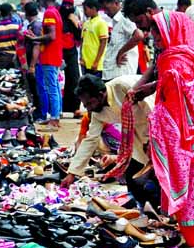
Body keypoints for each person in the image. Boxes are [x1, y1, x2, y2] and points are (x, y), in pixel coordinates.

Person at [120, 0, 194, 248]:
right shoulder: (189, 51)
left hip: (187, 136)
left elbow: (173, 99)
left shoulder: (175, 61)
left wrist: (162, 133)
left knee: (187, 190)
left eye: (156, 35)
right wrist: (147, 88)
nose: (152, 38)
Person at [62, 75, 158, 208]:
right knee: (133, 180)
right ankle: (144, 212)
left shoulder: (123, 86)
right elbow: (90, 140)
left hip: (157, 132)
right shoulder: (97, 112)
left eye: (89, 103)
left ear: (101, 95)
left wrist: (154, 140)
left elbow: (154, 112)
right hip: (135, 142)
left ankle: (163, 213)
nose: (88, 109)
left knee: (159, 178)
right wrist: (72, 173)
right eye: (85, 105)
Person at [26, 0, 64, 129]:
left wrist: (34, 38)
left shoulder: (49, 13)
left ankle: (54, 119)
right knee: (53, 86)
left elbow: (51, 35)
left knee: (51, 87)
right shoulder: (56, 12)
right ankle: (56, 115)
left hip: (49, 55)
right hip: (55, 54)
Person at [97, 0, 142, 81]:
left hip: (121, 74)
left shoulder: (124, 18)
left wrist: (121, 53)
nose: (105, 12)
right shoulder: (116, 21)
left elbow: (138, 35)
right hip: (114, 72)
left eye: (106, 9)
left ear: (116, 3)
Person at [60, 0, 82, 114]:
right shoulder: (59, 17)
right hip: (59, 51)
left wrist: (75, 23)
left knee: (73, 79)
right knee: (58, 81)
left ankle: (74, 107)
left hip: (71, 51)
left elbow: (79, 36)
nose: (67, 8)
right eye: (66, 5)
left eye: (70, 5)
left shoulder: (73, 18)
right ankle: (62, 107)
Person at [20, 1, 43, 117]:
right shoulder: (32, 25)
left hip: (36, 63)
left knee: (37, 88)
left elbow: (36, 46)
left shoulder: (36, 26)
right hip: (33, 62)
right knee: (34, 88)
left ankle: (40, 112)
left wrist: (32, 65)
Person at [80, 0, 109, 78]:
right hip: (85, 63)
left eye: (85, 9)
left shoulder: (101, 23)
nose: (84, 12)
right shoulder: (86, 23)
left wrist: (96, 62)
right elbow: (83, 41)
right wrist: (81, 57)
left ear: (93, 9)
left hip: (95, 64)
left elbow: (103, 43)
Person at [0, 3, 20, 69]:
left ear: (0, 13)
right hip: (15, 57)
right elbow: (20, 44)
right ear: (10, 13)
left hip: (2, 58)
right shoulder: (17, 27)